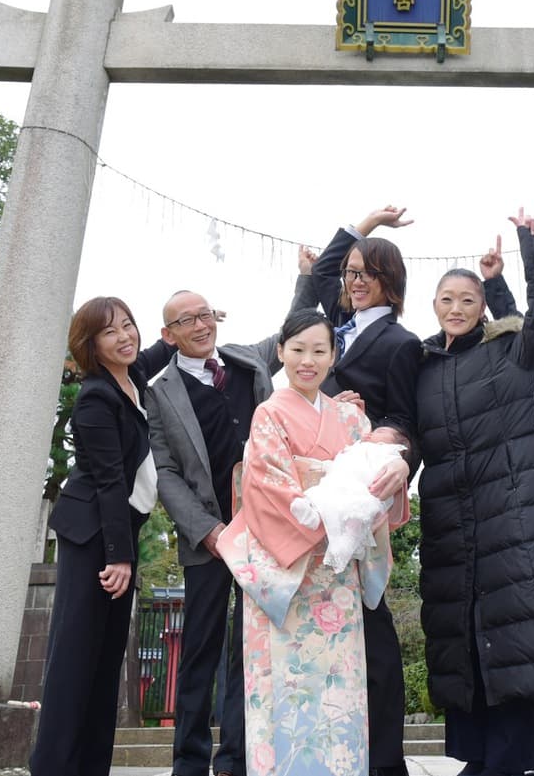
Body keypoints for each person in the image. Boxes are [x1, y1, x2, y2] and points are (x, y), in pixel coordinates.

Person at [415, 211, 534, 776]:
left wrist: (527, 251)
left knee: (515, 633)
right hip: (450, 521)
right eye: (448, 298)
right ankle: (476, 758)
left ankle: (509, 759)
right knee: (464, 639)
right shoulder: (420, 365)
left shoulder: (511, 350)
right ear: (435, 305)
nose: (457, 307)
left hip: (513, 519)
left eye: (468, 299)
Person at [215, 308, 410, 776]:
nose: (308, 360)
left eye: (319, 350)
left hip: (337, 574)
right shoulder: (269, 413)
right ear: (280, 352)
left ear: (333, 355)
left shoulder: (351, 418)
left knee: (339, 694)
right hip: (290, 570)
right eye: (297, 349)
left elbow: (377, 477)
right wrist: (330, 508)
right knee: (285, 690)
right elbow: (267, 490)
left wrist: (397, 469)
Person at [297, 205, 423, 776]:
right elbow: (322, 270)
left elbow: (409, 419)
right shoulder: (328, 332)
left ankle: (385, 762)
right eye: (350, 272)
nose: (351, 280)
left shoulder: (402, 343)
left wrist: (379, 429)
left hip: (357, 493)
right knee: (316, 619)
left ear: (389, 282)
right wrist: (365, 222)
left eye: (365, 272)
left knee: (370, 617)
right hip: (309, 487)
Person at [146, 289, 287, 776]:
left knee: (251, 649)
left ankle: (237, 760)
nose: (201, 326)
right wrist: (206, 531)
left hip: (264, 532)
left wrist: (312, 273)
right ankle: (189, 761)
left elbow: (294, 329)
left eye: (205, 314)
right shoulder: (159, 390)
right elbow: (164, 470)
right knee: (201, 649)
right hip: (208, 537)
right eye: (187, 321)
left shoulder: (248, 362)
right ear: (169, 336)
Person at [30, 296, 164, 776]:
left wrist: (192, 323)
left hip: (117, 530)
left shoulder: (132, 380)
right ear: (91, 344)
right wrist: (119, 556)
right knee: (75, 654)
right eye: (111, 332)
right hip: (92, 536)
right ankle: (52, 767)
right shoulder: (95, 396)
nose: (125, 336)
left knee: (107, 659)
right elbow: (108, 480)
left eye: (128, 325)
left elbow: (159, 348)